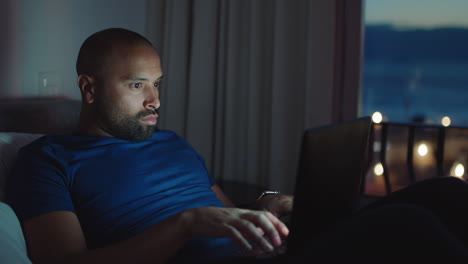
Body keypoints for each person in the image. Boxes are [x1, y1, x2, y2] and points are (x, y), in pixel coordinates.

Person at [6, 28, 468, 264]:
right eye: (136, 85)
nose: (155, 101)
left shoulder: (172, 144)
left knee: (446, 192)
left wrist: (265, 207)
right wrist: (187, 225)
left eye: (158, 84)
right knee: (408, 225)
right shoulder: (47, 160)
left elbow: (222, 211)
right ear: (89, 89)